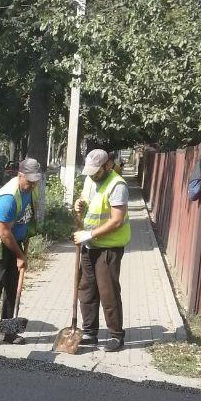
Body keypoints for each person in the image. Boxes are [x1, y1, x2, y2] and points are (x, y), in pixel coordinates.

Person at [0, 157, 42, 349]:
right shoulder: (8, 198)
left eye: (35, 181)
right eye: (29, 181)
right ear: (20, 175)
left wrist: (27, 235)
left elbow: (28, 216)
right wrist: (21, 256)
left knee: (12, 285)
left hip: (15, 241)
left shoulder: (30, 189)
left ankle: (8, 330)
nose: (32, 185)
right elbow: (4, 234)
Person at [73, 147, 131, 352]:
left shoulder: (117, 185)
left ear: (107, 165)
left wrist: (88, 234)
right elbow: (86, 200)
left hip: (108, 247)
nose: (92, 175)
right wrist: (79, 205)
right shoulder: (91, 179)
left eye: (96, 171)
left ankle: (116, 335)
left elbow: (117, 221)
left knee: (108, 292)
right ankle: (89, 332)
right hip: (89, 247)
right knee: (86, 289)